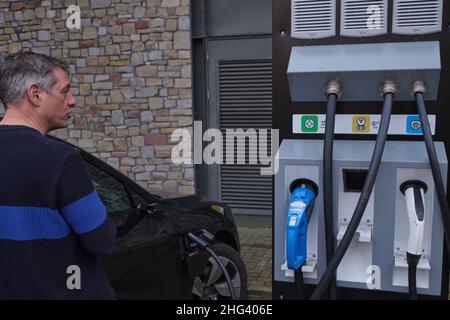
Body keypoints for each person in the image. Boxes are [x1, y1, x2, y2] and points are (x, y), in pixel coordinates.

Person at [0, 52, 117, 299]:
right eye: (64, 91)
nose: (72, 100)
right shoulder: (60, 159)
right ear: (35, 94)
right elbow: (101, 240)